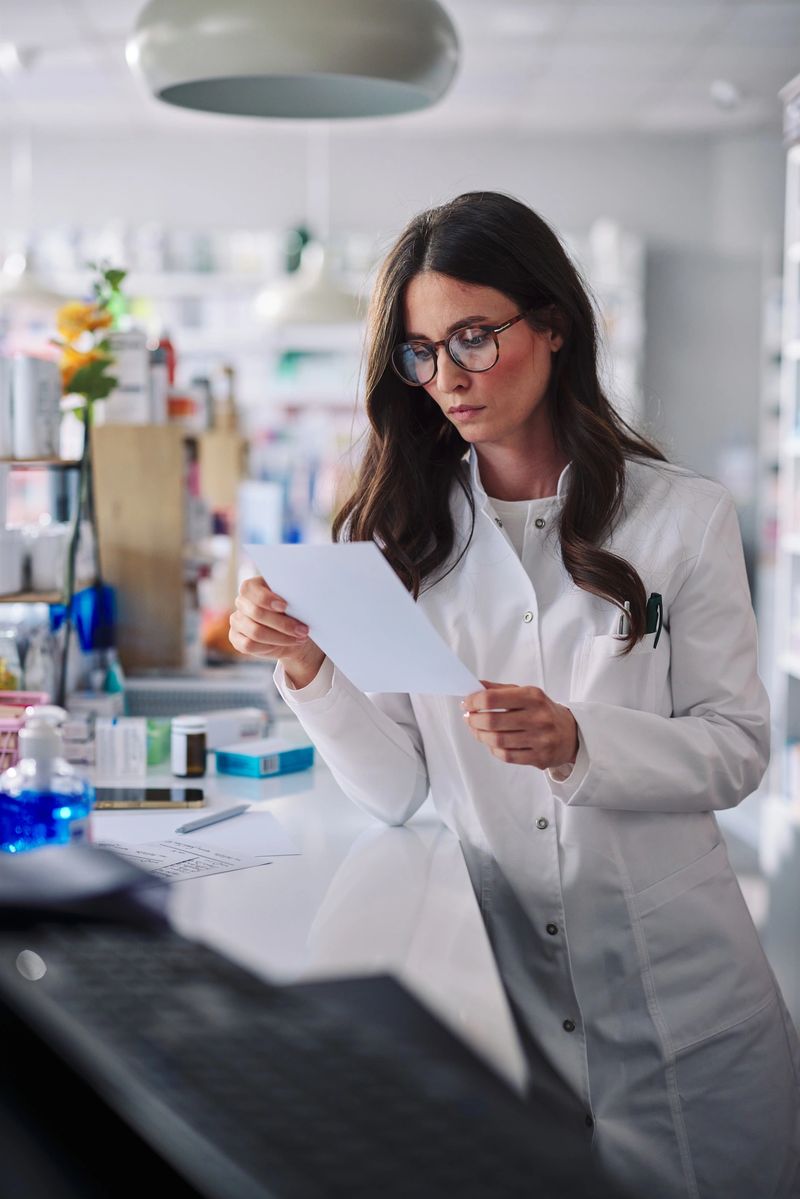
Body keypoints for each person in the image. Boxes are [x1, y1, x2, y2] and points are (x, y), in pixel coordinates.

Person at [229, 191, 800, 1198]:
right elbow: (395, 786)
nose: (445, 378)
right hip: (512, 1011)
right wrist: (308, 669)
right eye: (419, 351)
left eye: (473, 338)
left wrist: (581, 739)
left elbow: (735, 748)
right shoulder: (403, 536)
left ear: (551, 324)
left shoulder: (683, 518)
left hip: (686, 1014)